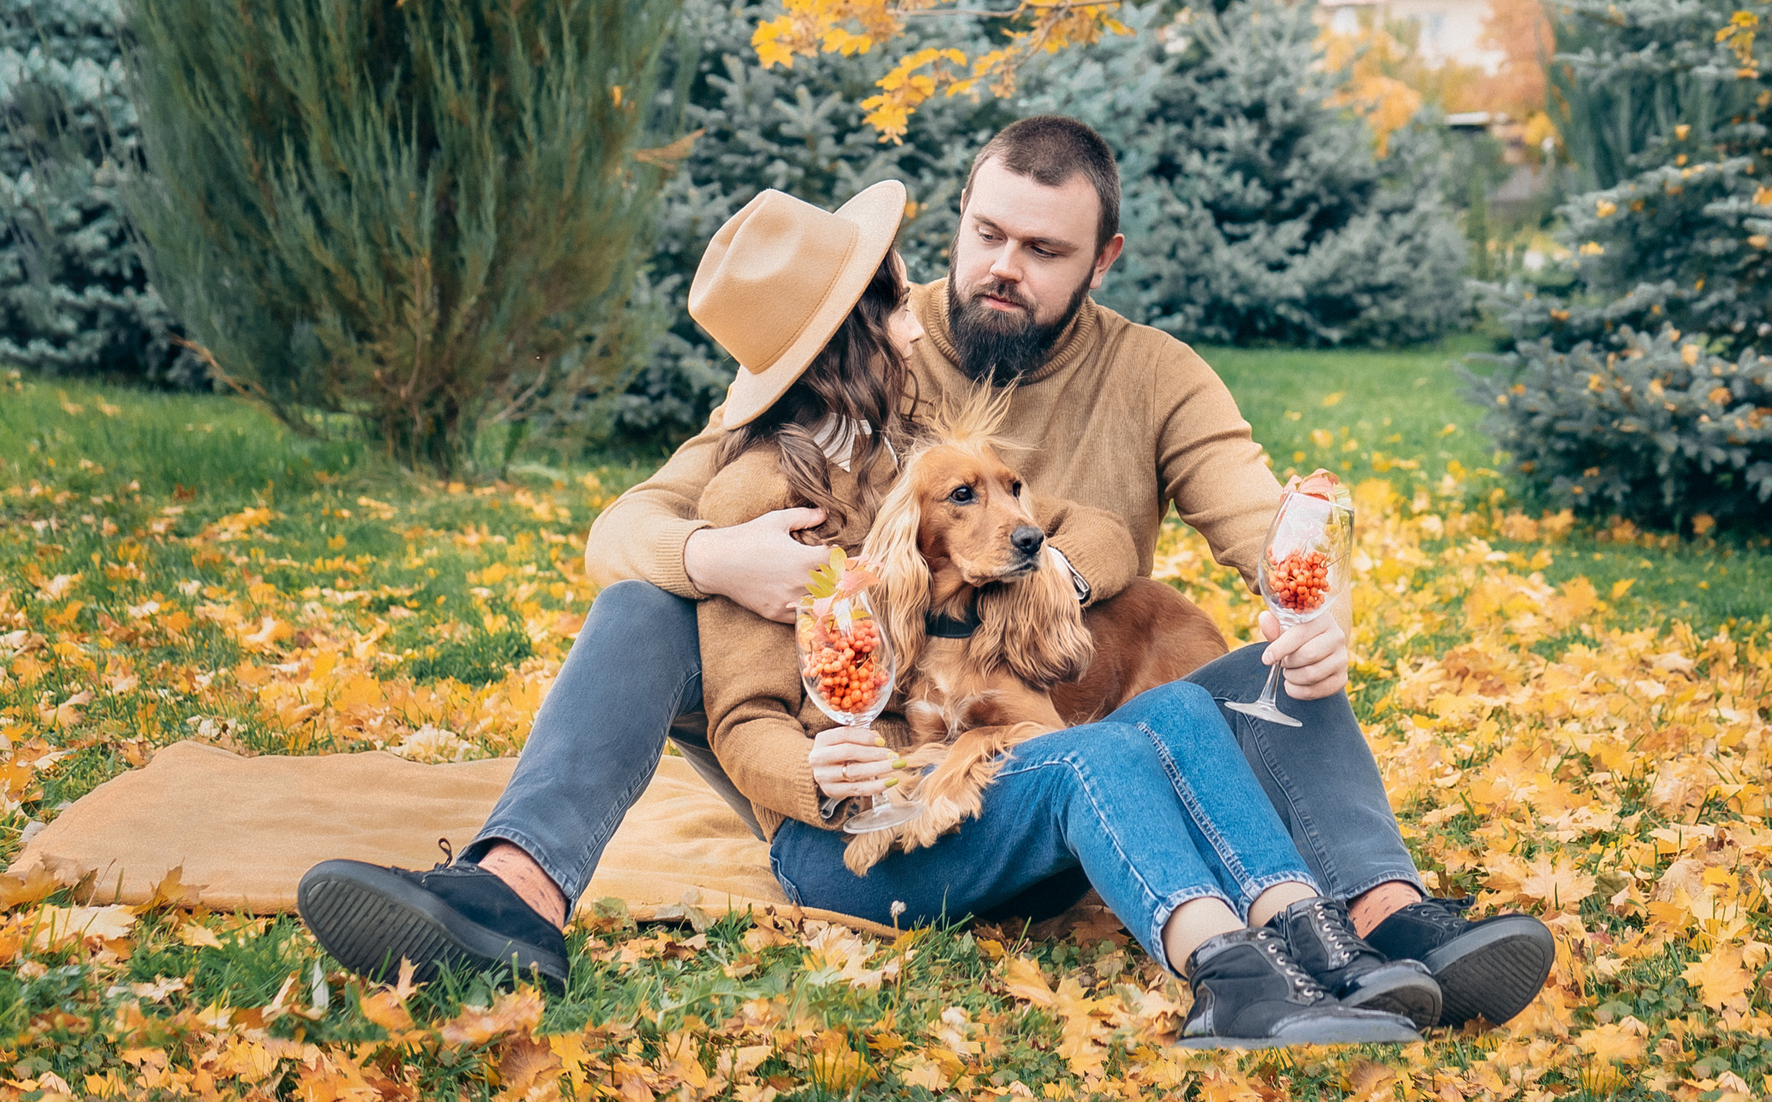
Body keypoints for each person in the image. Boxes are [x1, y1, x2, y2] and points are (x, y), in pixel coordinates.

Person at [298, 118, 1552, 1025]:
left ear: (1101, 260)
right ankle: (513, 892)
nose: (996, 268)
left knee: (1281, 670)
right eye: (982, 233)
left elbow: (1245, 512)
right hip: (885, 759)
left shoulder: (1152, 376)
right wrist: (713, 556)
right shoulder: (849, 383)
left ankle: (1390, 915)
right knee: (642, 599)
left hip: (1082, 723)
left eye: (1041, 250)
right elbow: (627, 527)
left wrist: (1310, 609)